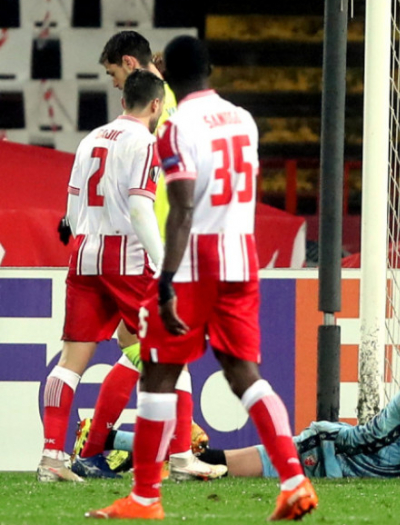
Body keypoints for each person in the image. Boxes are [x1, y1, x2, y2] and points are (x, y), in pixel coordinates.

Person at [85, 35, 317, 521]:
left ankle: (145, 497)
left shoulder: (174, 127)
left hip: (196, 261)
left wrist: (166, 276)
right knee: (244, 374)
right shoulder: (244, 119)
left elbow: (185, 205)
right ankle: (293, 480)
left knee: (157, 371)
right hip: (241, 255)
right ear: (210, 69)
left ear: (165, 68)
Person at [71, 30, 223, 482]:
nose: (114, 82)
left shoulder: (151, 115)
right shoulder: (176, 102)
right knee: (138, 347)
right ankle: (152, 454)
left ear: (130, 65)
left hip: (153, 247)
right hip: (163, 243)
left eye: (114, 72)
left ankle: (107, 448)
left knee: (147, 349)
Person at [96, 342, 400, 480]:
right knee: (211, 465)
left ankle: (113, 440)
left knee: (209, 463)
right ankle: (107, 438)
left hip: (345, 464)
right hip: (327, 452)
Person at [37, 70, 166, 483]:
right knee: (163, 356)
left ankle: (52, 458)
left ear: (122, 100)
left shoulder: (91, 138)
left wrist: (80, 239)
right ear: (156, 105)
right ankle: (171, 457)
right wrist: (162, 263)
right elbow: (141, 209)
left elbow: (72, 206)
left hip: (84, 256)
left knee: (70, 363)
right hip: (126, 259)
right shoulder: (146, 142)